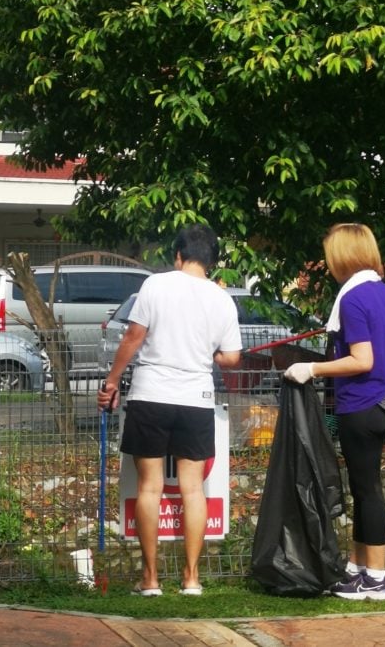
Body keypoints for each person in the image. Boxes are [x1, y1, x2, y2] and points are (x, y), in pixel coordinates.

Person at [97, 224, 242, 596]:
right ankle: (191, 579)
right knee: (193, 490)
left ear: (178, 256)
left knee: (150, 487)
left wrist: (112, 381)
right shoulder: (223, 300)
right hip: (196, 399)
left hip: (151, 394)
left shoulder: (156, 285)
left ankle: (150, 580)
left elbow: (133, 336)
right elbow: (231, 358)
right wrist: (208, 352)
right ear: (212, 261)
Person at [284, 223, 385, 601]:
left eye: (330, 256)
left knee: (367, 491)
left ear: (341, 256)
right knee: (364, 489)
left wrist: (311, 369)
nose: (327, 264)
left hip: (359, 405)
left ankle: (377, 578)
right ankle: (357, 571)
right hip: (383, 407)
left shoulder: (352, 299)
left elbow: (362, 359)